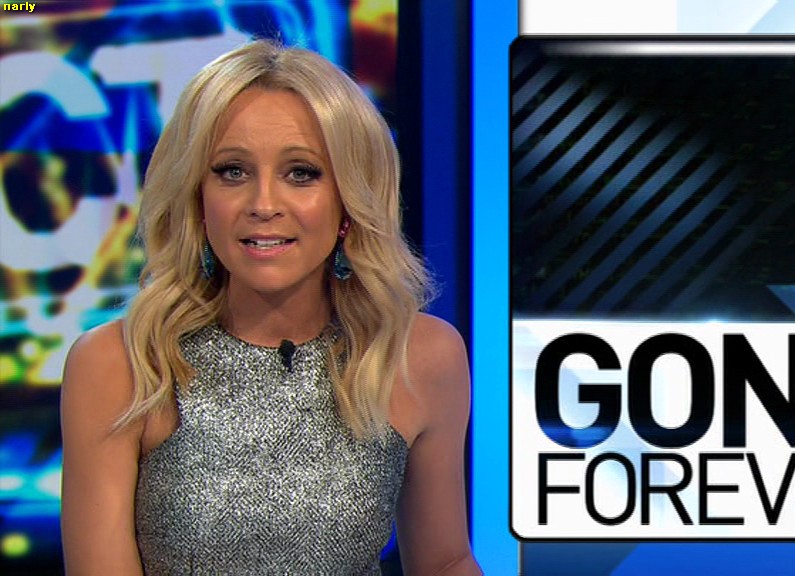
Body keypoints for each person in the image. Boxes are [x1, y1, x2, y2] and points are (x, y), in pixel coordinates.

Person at [60, 40, 480, 575]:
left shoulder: (420, 355)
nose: (263, 204)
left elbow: (445, 563)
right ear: (196, 197)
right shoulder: (120, 365)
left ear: (350, 198)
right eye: (232, 171)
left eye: (301, 173)